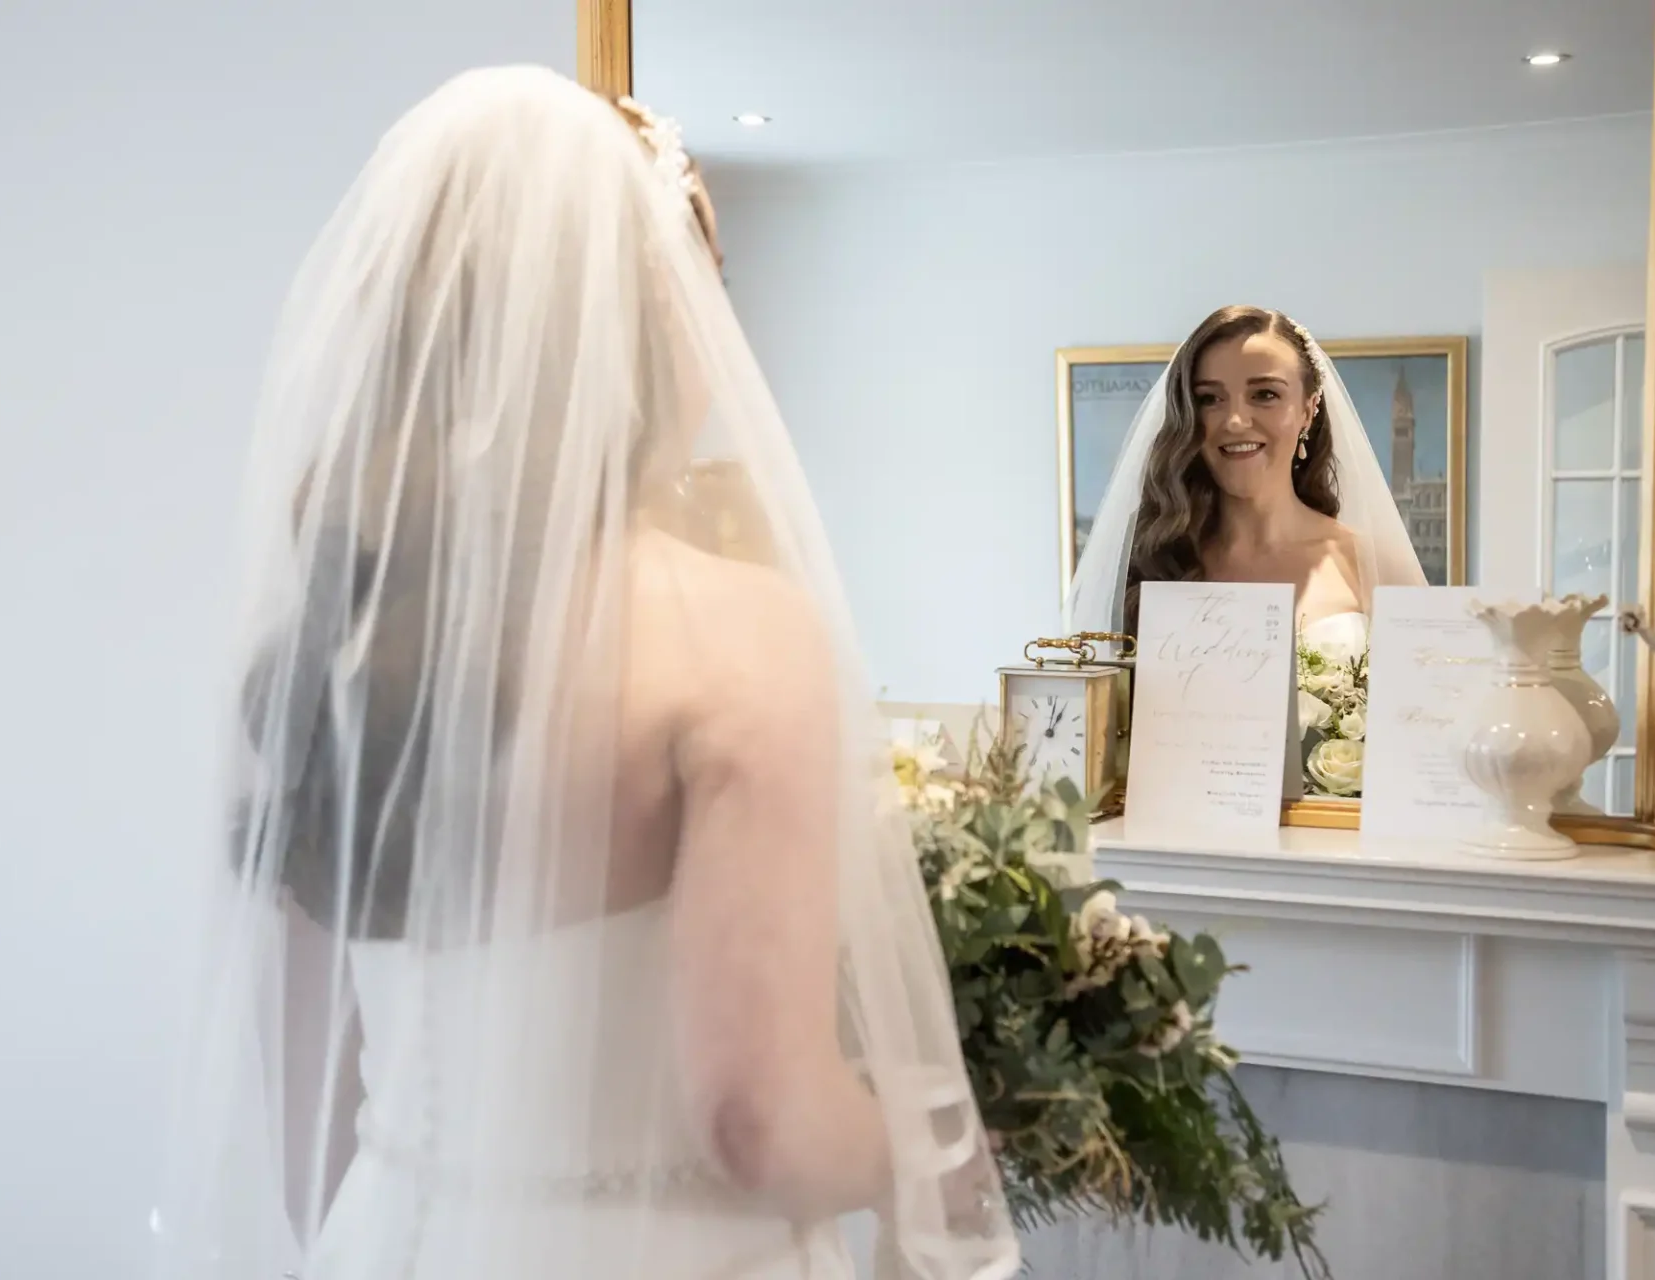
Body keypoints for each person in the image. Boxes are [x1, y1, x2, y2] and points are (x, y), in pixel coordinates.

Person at [153, 67, 1017, 1280]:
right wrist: (924, 1154)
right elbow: (756, 1116)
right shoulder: (736, 633)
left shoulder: (320, 648)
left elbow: (302, 1124)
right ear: (655, 326)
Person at [1067, 304, 1426, 650]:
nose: (1235, 421)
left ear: (1308, 409)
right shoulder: (1150, 562)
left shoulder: (1372, 567)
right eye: (1209, 399)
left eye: (1265, 394)